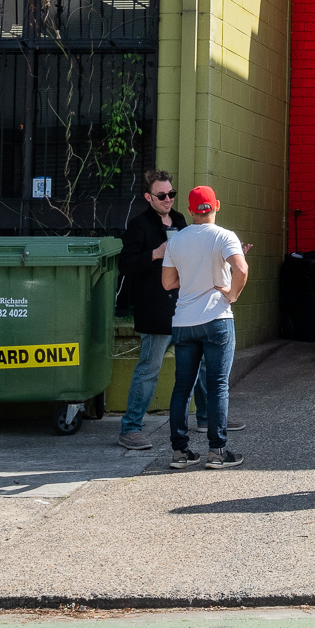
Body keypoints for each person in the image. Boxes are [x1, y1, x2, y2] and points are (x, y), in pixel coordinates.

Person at [162, 185, 249, 469]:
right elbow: (242, 269)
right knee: (218, 386)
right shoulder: (225, 236)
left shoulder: (177, 240)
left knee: (181, 388)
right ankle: (216, 452)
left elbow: (167, 283)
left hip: (184, 323)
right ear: (217, 206)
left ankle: (179, 452)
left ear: (189, 210)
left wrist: (191, 277)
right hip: (217, 319)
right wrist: (231, 293)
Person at [115, 169, 196, 450]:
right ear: (149, 197)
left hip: (183, 306)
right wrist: (155, 253)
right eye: (162, 195)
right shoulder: (139, 226)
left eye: (171, 194)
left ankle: (210, 418)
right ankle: (131, 428)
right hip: (155, 308)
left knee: (199, 364)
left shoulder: (181, 220)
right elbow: (125, 265)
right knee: (149, 369)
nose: (168, 199)